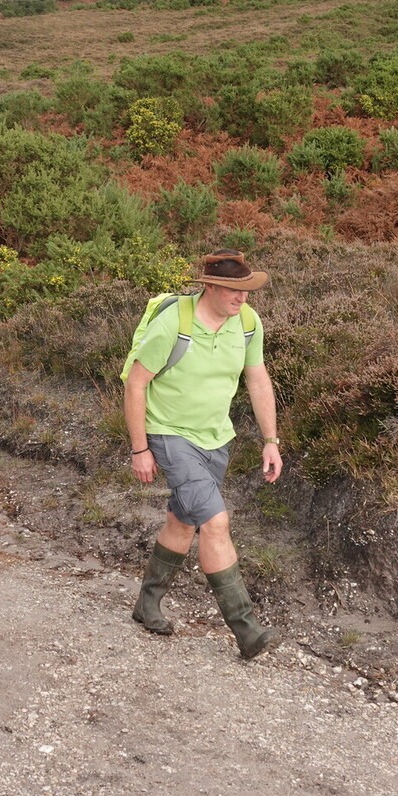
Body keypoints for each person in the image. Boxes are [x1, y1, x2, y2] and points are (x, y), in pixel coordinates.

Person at [124, 249, 283, 659]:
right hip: (169, 434)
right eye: (234, 291)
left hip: (216, 438)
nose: (242, 299)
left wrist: (271, 439)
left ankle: (147, 603)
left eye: (247, 291)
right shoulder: (174, 325)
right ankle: (246, 629)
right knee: (215, 521)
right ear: (210, 287)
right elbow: (136, 384)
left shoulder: (247, 323)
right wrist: (140, 448)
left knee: (183, 520)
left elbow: (257, 378)